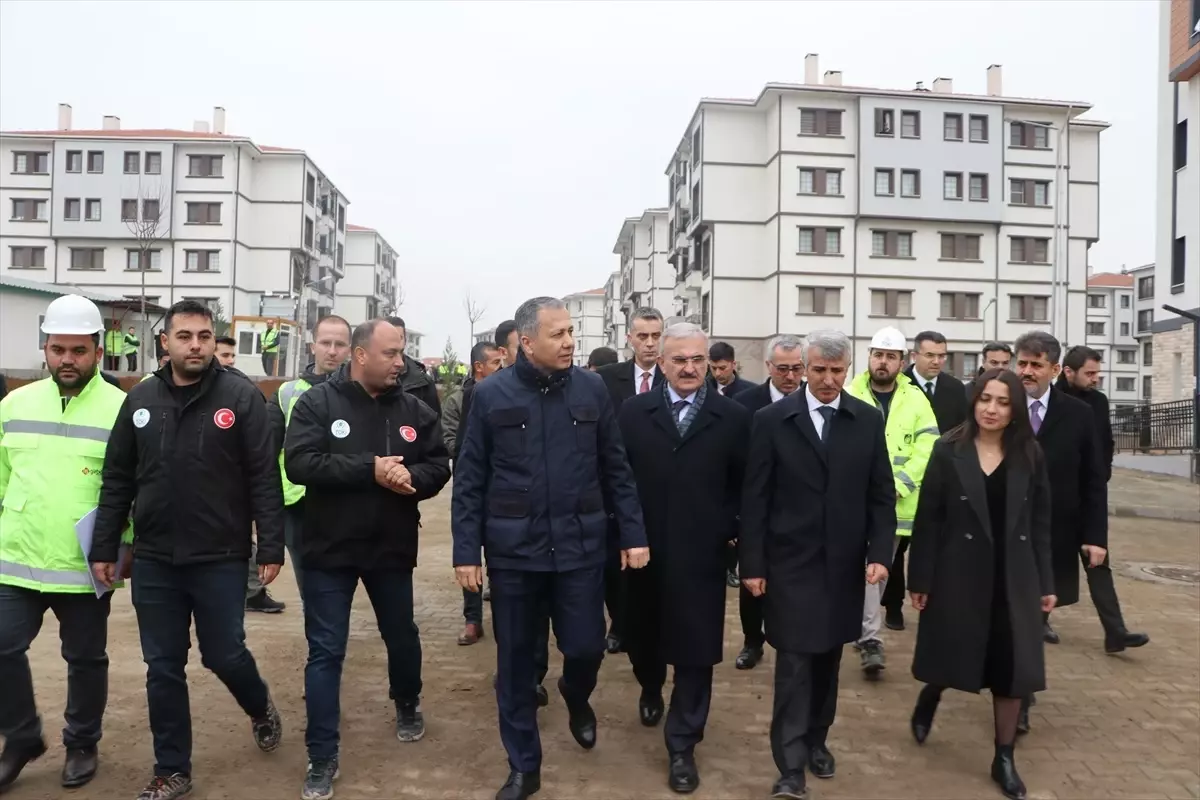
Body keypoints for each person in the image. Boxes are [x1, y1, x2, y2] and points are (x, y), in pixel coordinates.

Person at [452, 296, 648, 800]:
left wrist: (633, 534)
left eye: (569, 333)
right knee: (515, 663)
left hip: (581, 547)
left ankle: (574, 693)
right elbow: (470, 477)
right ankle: (524, 765)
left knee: (585, 647)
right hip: (515, 553)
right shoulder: (491, 395)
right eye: (557, 334)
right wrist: (465, 550)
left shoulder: (592, 389)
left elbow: (616, 467)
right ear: (526, 341)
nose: (568, 341)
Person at [90, 299, 286, 800]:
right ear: (166, 342)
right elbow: (117, 478)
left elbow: (264, 475)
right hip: (155, 558)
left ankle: (260, 705)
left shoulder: (240, 398)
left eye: (203, 336)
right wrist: (105, 545)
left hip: (220, 556)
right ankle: (172, 768)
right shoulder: (140, 400)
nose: (195, 345)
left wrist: (271, 545)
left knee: (224, 654)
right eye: (185, 336)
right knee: (162, 666)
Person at [284, 318, 451, 800]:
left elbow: (439, 464)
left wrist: (412, 480)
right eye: (391, 353)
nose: (401, 363)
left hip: (390, 547)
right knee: (326, 651)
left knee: (401, 634)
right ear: (360, 355)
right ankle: (322, 755)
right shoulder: (317, 403)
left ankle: (407, 700)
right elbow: (300, 462)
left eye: (401, 354)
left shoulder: (415, 409)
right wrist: (369, 470)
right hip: (327, 550)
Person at [739, 330, 895, 800]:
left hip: (843, 565)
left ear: (849, 369)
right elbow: (756, 496)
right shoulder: (771, 420)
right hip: (789, 564)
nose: (828, 380)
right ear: (803, 369)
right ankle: (789, 768)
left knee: (827, 659)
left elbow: (881, 496)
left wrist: (879, 553)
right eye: (819, 371)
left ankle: (817, 739)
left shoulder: (865, 420)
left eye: (837, 371)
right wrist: (753, 563)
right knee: (794, 663)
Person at [0, 295, 130, 793]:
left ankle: (82, 743)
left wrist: (126, 544)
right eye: (58, 350)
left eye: (78, 350)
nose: (67, 360)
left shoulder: (123, 409)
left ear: (98, 351)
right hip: (16, 558)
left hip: (85, 562)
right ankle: (21, 736)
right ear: (45, 349)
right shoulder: (14, 404)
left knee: (86, 660)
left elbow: (137, 487)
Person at [907, 369, 1056, 800]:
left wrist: (1047, 580)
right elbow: (929, 520)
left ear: (1015, 410)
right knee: (957, 650)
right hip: (959, 572)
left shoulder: (1031, 454)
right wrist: (922, 577)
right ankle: (931, 693)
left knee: (1011, 666)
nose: (991, 409)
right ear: (974, 402)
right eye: (985, 399)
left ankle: (1004, 756)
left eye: (1003, 402)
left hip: (1015, 577)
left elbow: (1042, 524)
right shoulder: (948, 449)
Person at [618, 323, 749, 793]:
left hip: (702, 555)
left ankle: (682, 744)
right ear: (663, 363)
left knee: (695, 652)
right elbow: (620, 480)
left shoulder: (733, 418)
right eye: (679, 360)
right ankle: (651, 686)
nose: (690, 368)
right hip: (643, 552)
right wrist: (625, 536)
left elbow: (744, 486)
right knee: (642, 637)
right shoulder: (634, 414)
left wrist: (729, 530)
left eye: (698, 360)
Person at [846, 327, 939, 676]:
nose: (882, 362)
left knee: (877, 571)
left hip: (898, 504)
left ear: (902, 362)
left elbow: (928, 447)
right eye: (877, 355)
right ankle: (863, 631)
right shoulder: (848, 393)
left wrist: (901, 483)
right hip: (851, 503)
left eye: (890, 357)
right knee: (858, 570)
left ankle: (869, 637)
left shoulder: (916, 400)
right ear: (869, 357)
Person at [1054, 345, 1148, 651]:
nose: (1096, 379)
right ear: (1068, 372)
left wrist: (1100, 474)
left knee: (1099, 561)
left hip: (1088, 499)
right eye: (1090, 373)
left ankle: (1115, 631)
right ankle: (1037, 620)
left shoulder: (1098, 401)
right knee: (1048, 563)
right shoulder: (1051, 401)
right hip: (1054, 501)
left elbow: (1104, 443)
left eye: (1098, 373)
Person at [733, 334, 805, 671]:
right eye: (783, 369)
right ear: (768, 367)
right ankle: (752, 641)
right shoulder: (745, 405)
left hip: (799, 511)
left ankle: (794, 641)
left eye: (796, 369)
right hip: (756, 508)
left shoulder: (814, 402)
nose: (790, 376)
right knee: (752, 580)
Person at [271, 315, 354, 603]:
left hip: (344, 501)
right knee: (309, 587)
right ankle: (320, 645)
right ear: (312, 346)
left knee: (338, 585)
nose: (332, 350)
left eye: (340, 344)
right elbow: (267, 451)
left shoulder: (360, 393)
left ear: (351, 350)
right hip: (298, 504)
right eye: (325, 343)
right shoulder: (287, 393)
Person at [595, 306, 664, 654]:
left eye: (656, 336)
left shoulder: (679, 376)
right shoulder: (606, 379)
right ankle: (619, 624)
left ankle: (651, 625)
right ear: (630, 338)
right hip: (614, 487)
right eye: (643, 336)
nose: (650, 344)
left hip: (660, 487)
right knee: (615, 566)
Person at [212, 335, 288, 615]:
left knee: (241, 540)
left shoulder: (242, 388)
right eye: (225, 355)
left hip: (234, 489)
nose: (230, 361)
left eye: (232, 355)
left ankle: (252, 591)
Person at [442, 340, 505, 646]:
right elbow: (448, 438)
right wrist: (474, 452)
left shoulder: (505, 396)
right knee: (468, 556)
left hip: (500, 490)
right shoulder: (458, 400)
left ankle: (504, 617)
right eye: (495, 363)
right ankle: (472, 619)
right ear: (479, 367)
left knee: (499, 552)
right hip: (469, 487)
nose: (501, 369)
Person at [904, 330, 969, 432]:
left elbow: (962, 428)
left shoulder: (956, 388)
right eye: (930, 355)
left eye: (941, 356)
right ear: (914, 356)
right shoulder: (898, 385)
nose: (936, 362)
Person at [384, 316, 441, 415]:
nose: (394, 342)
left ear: (405, 341)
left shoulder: (423, 383)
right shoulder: (368, 377)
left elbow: (434, 423)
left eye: (399, 337)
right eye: (388, 337)